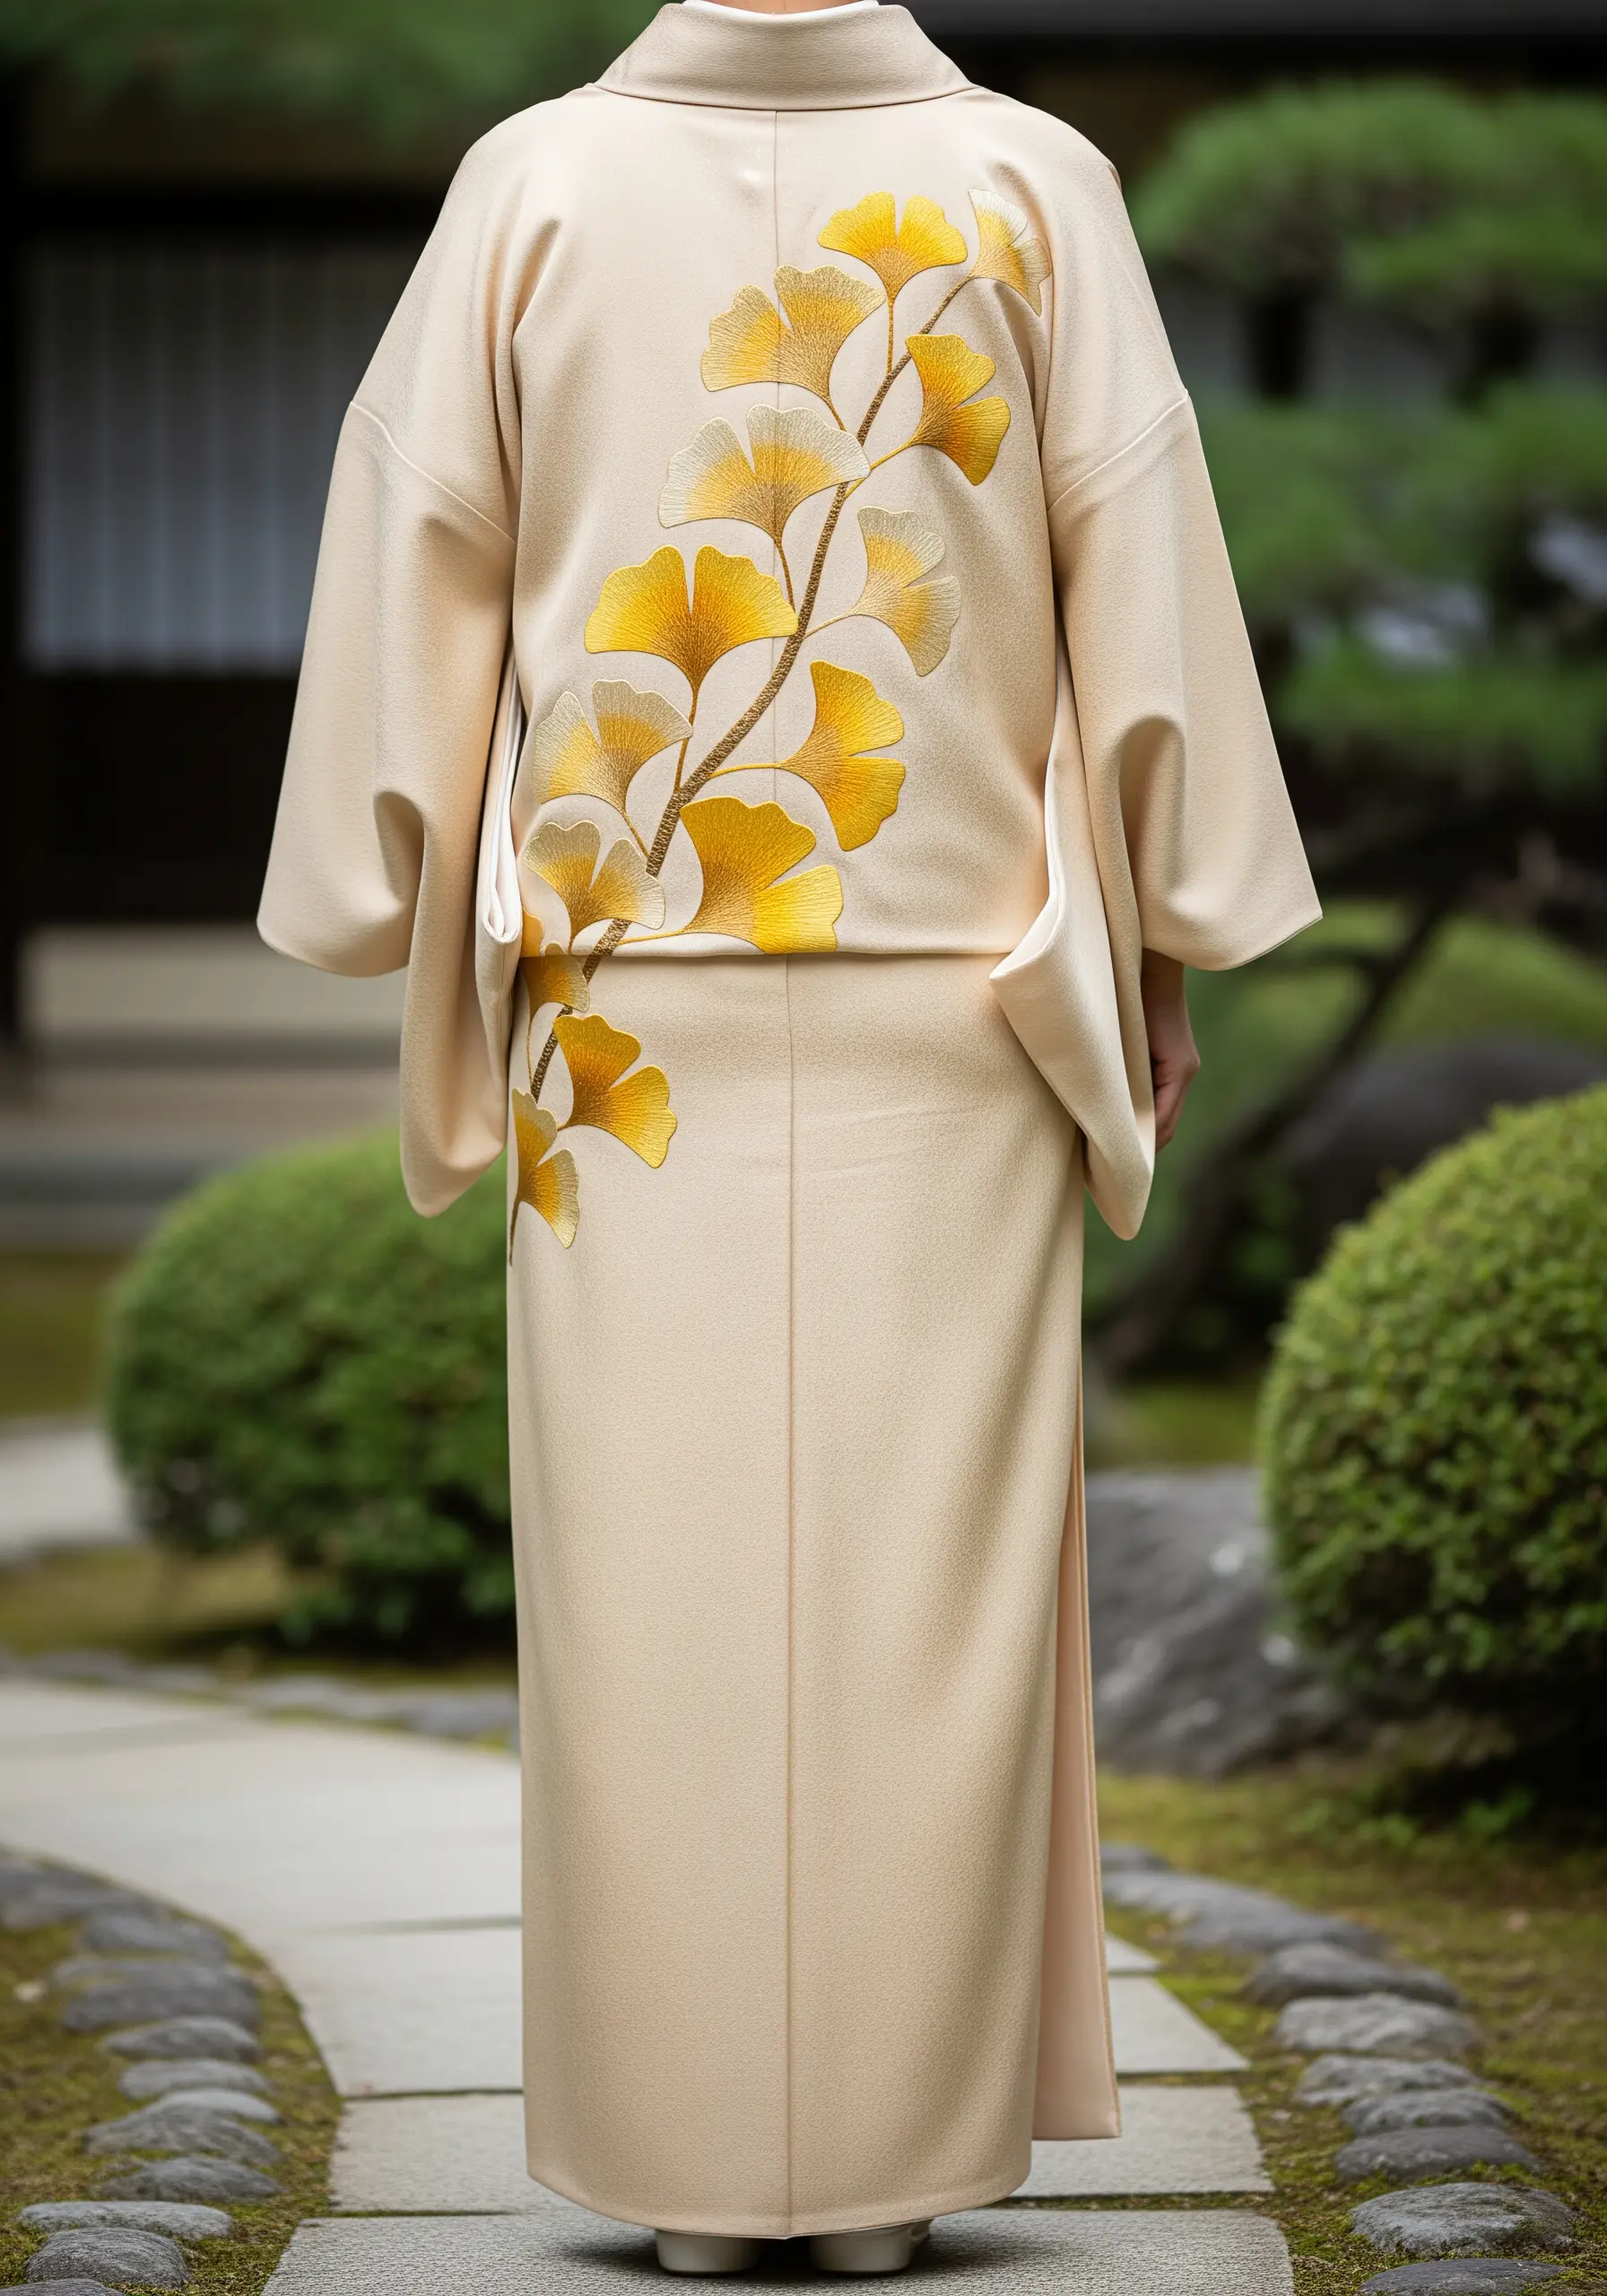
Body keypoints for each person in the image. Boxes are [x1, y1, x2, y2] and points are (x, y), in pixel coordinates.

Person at [259, 0, 1319, 2273]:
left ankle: (687, 2162)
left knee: (652, 1601)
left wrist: (393, 875)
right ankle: (880, 2165)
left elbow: (417, 551)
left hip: (612, 1024)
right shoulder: (1035, 182)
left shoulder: (528, 183)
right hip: (954, 1002)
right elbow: (1135, 600)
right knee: (916, 1604)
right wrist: (1160, 931)